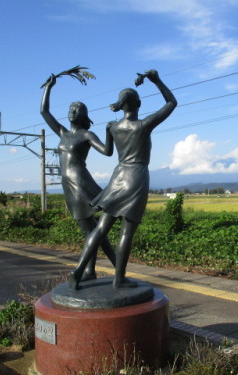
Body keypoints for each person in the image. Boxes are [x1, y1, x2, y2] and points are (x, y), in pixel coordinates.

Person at [69, 69, 177, 290]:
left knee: (100, 229)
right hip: (136, 177)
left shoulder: (112, 126)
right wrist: (157, 80)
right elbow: (171, 102)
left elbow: (108, 151)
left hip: (117, 177)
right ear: (137, 104)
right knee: (126, 231)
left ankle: (78, 271)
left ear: (122, 105)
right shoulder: (143, 125)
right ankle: (119, 279)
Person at [41, 74, 116, 281]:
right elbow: (44, 111)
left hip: (81, 184)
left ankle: (94, 270)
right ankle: (105, 269)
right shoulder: (63, 133)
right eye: (70, 109)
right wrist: (49, 87)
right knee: (94, 232)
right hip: (69, 185)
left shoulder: (86, 135)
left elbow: (108, 151)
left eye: (77, 109)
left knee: (90, 232)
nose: (72, 112)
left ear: (83, 115)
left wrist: (109, 132)